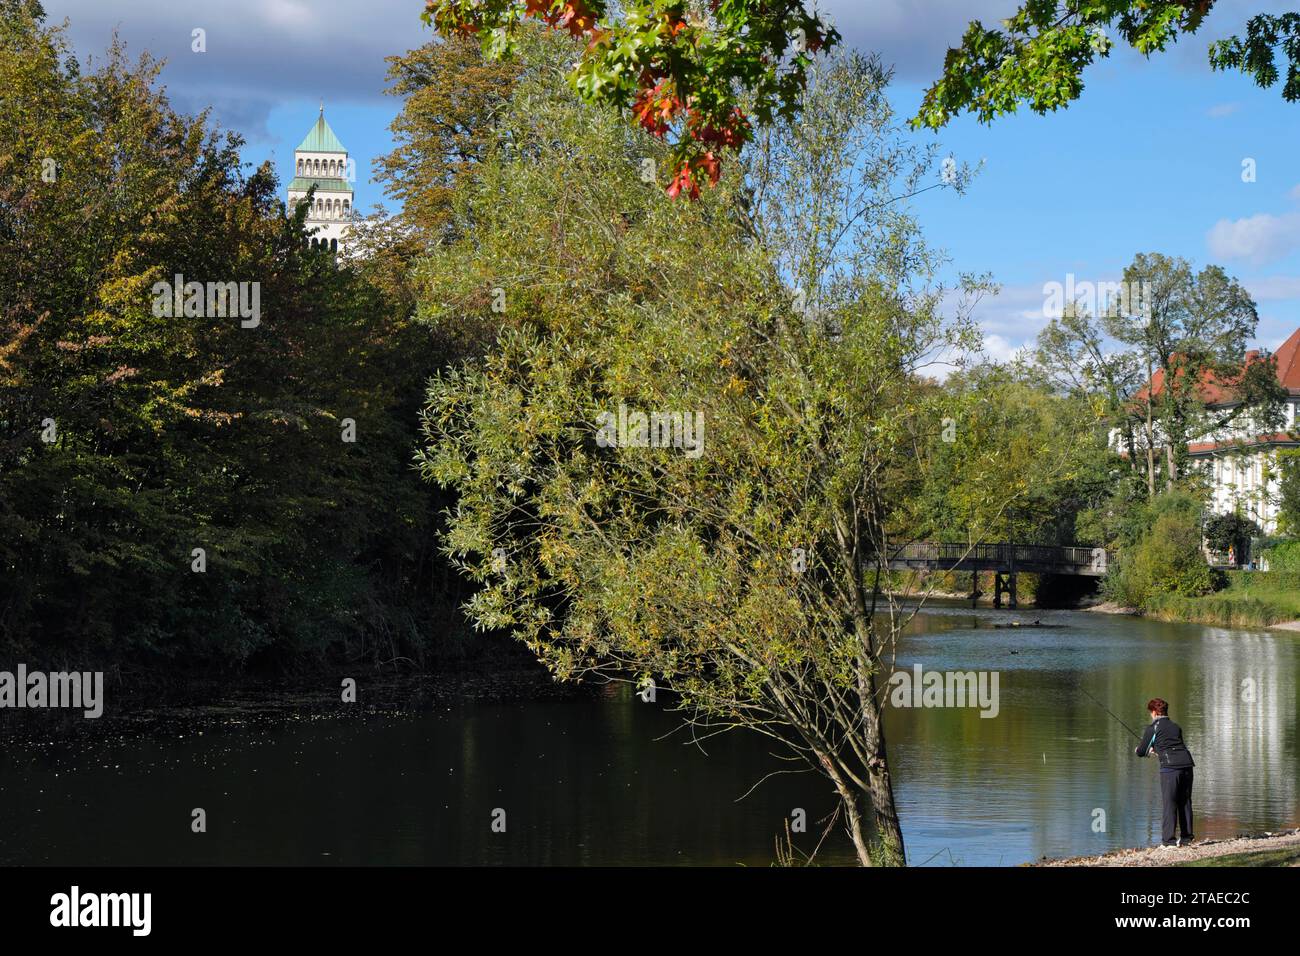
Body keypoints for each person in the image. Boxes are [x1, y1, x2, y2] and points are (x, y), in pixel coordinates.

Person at [1134, 697, 1195, 847]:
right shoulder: (1176, 726)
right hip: (1187, 764)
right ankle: (1187, 838)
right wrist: (1157, 750)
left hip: (1170, 768)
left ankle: (1169, 841)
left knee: (1170, 803)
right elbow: (1173, 744)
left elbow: (1142, 751)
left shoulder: (1153, 728)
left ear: (1154, 712)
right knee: (1185, 801)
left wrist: (1140, 750)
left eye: (1151, 713)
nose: (1151, 715)